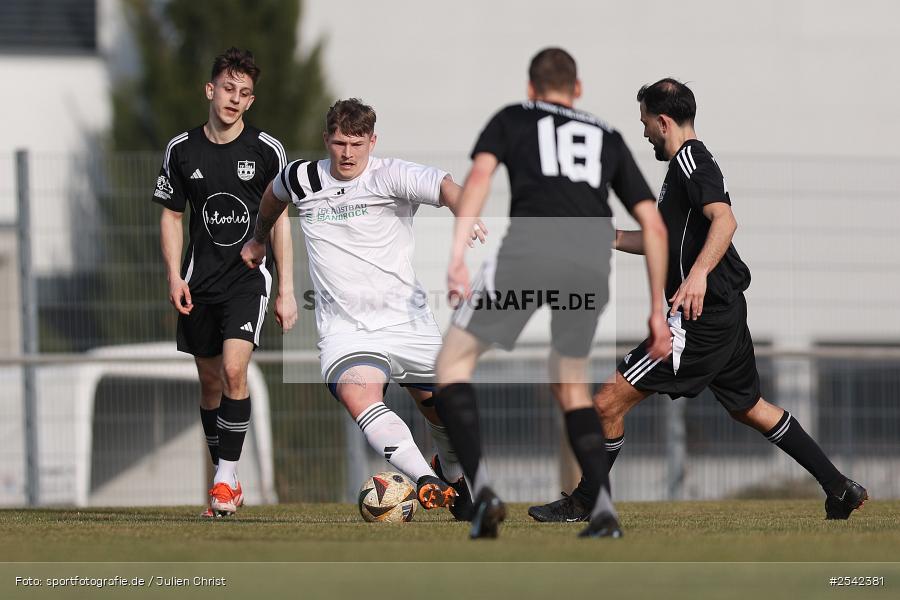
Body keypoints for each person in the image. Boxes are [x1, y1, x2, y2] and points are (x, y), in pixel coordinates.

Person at [529, 77, 867, 522]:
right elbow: (663, 242)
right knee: (750, 408)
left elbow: (725, 221)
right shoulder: (682, 170)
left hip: (698, 318)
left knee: (607, 401)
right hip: (723, 312)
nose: (645, 131)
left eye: (646, 122)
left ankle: (587, 500)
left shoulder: (691, 160)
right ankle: (838, 486)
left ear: (663, 121)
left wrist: (698, 277)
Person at [431, 48, 671, 539]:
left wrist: (456, 256)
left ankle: (481, 492)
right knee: (569, 383)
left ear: (530, 89)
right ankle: (602, 509)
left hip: (530, 250)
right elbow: (653, 226)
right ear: (577, 89)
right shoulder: (607, 136)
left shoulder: (514, 118)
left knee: (452, 365)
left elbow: (478, 179)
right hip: (587, 262)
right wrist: (655, 313)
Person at [241, 98, 484, 519]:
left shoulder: (392, 174)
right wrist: (259, 237)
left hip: (408, 322)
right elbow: (272, 196)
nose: (348, 153)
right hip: (346, 330)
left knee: (445, 412)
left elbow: (446, 188)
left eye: (356, 143)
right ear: (326, 140)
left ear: (373, 141)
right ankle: (423, 481)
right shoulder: (302, 177)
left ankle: (448, 474)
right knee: (360, 393)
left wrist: (467, 212)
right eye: (339, 143)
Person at [153, 47, 297, 518]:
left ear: (251, 102)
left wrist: (286, 289)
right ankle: (227, 480)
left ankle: (223, 479)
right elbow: (173, 216)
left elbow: (279, 222)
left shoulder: (266, 150)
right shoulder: (181, 150)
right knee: (211, 384)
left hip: (247, 281)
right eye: (229, 89)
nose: (235, 99)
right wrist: (174, 275)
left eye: (245, 93)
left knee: (236, 371)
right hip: (200, 282)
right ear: (210, 90)